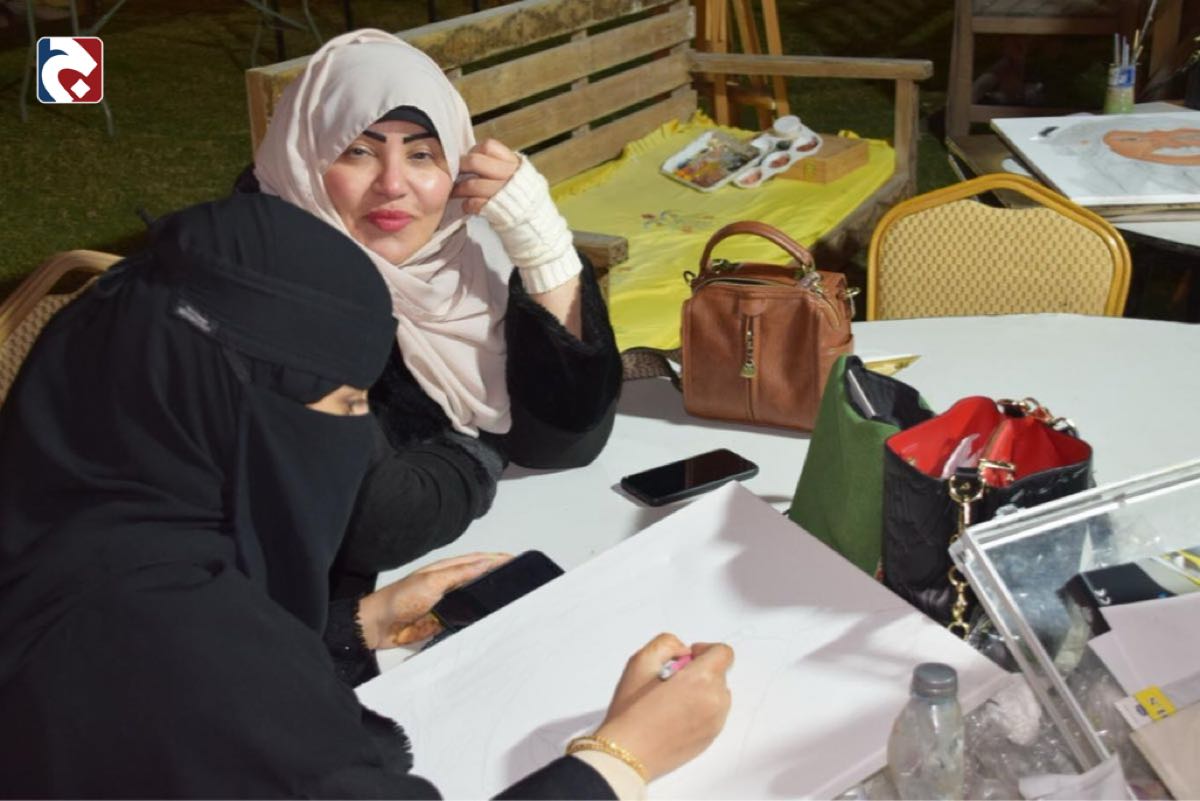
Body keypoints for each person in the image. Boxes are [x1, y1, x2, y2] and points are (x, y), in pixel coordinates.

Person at [0, 193, 731, 798]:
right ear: (238, 408)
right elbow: (195, 687)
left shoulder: (77, 500)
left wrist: (355, 623)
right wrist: (622, 758)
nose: (359, 435)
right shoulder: (186, 649)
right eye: (349, 404)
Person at [246, 29, 623, 598]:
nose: (393, 185)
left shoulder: (464, 263)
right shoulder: (267, 282)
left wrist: (544, 249)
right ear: (305, 161)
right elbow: (372, 520)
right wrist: (479, 449)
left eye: (422, 154)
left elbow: (566, 443)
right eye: (359, 151)